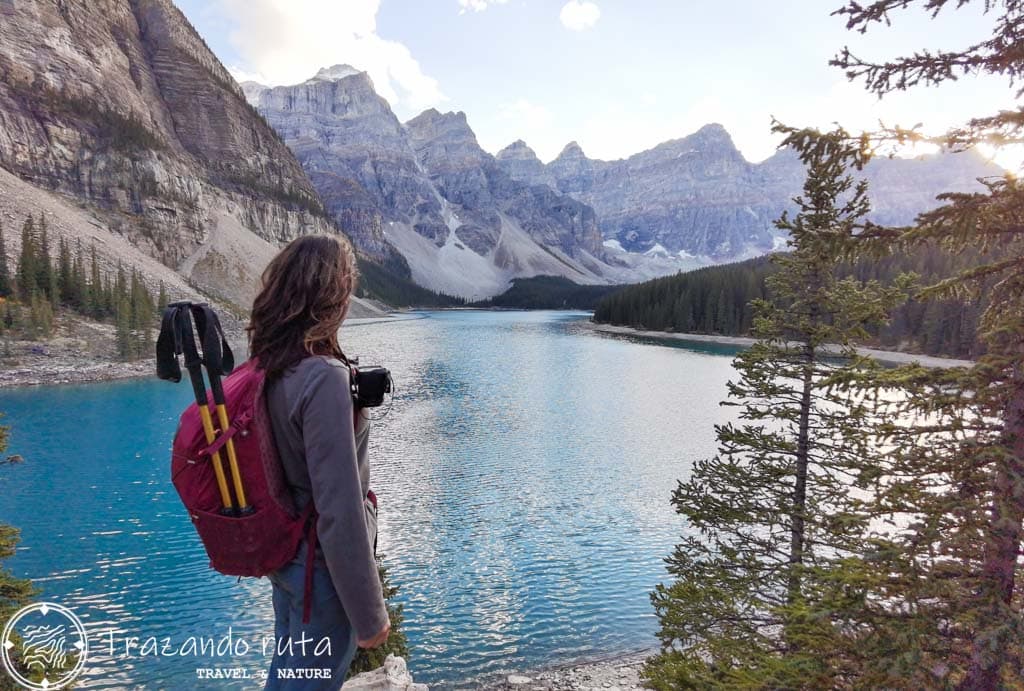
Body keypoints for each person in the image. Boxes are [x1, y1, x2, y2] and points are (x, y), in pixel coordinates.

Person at [247, 234, 390, 689]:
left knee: (288, 674)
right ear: (332, 294)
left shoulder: (271, 364)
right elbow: (340, 509)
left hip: (286, 557)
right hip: (319, 572)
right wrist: (369, 616)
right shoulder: (324, 377)